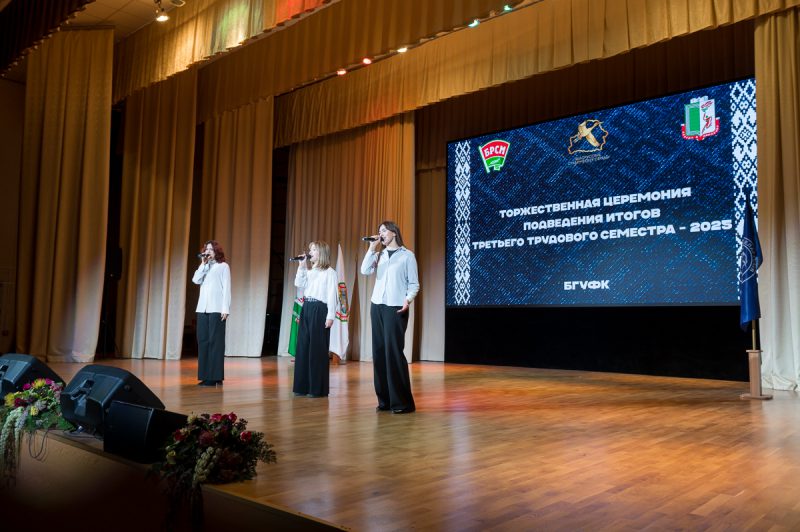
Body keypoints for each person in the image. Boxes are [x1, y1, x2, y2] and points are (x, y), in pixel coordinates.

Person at [361, 221, 420, 414]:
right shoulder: (379, 255)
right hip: (377, 306)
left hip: (395, 307)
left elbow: (414, 284)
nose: (380, 234)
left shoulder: (407, 255)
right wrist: (372, 248)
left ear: (394, 233)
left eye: (384, 231)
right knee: (379, 352)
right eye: (379, 231)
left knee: (393, 352)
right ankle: (384, 401)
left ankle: (402, 403)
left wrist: (407, 300)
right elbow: (364, 271)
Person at [293, 241, 338, 398]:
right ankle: (302, 386)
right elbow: (298, 284)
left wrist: (330, 316)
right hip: (307, 307)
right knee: (303, 347)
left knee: (317, 350)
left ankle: (317, 388)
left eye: (313, 249)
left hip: (320, 309)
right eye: (310, 249)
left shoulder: (330, 272)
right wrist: (301, 266)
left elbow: (332, 295)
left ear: (321, 253)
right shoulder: (309, 271)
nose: (310, 252)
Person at [192, 240, 231, 387]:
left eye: (211, 249)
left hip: (217, 309)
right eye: (206, 249)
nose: (207, 251)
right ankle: (206, 375)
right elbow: (195, 280)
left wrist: (225, 309)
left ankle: (215, 377)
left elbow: (227, 288)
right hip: (202, 308)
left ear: (216, 252)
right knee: (203, 341)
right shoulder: (204, 266)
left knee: (216, 343)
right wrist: (203, 264)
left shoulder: (223, 266)